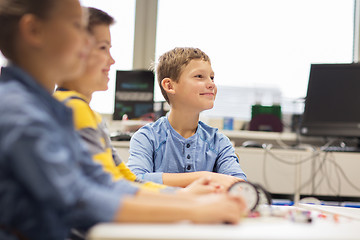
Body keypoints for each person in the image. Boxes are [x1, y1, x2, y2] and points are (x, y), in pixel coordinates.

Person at [0, 1, 246, 239]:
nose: (86, 43)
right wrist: (192, 209)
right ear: (34, 31)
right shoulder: (20, 112)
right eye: (76, 26)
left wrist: (185, 199)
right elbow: (78, 198)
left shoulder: (46, 109)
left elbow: (107, 183)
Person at [53, 7, 218, 195]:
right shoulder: (71, 109)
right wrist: (187, 199)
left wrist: (182, 196)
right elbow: (105, 191)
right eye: (102, 48)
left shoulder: (89, 114)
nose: (112, 60)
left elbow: (128, 180)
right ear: (72, 52)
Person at [127, 47, 247, 190]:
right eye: (199, 76)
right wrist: (204, 177)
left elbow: (240, 187)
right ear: (169, 85)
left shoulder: (219, 142)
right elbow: (135, 180)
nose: (211, 84)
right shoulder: (146, 137)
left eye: (212, 77)